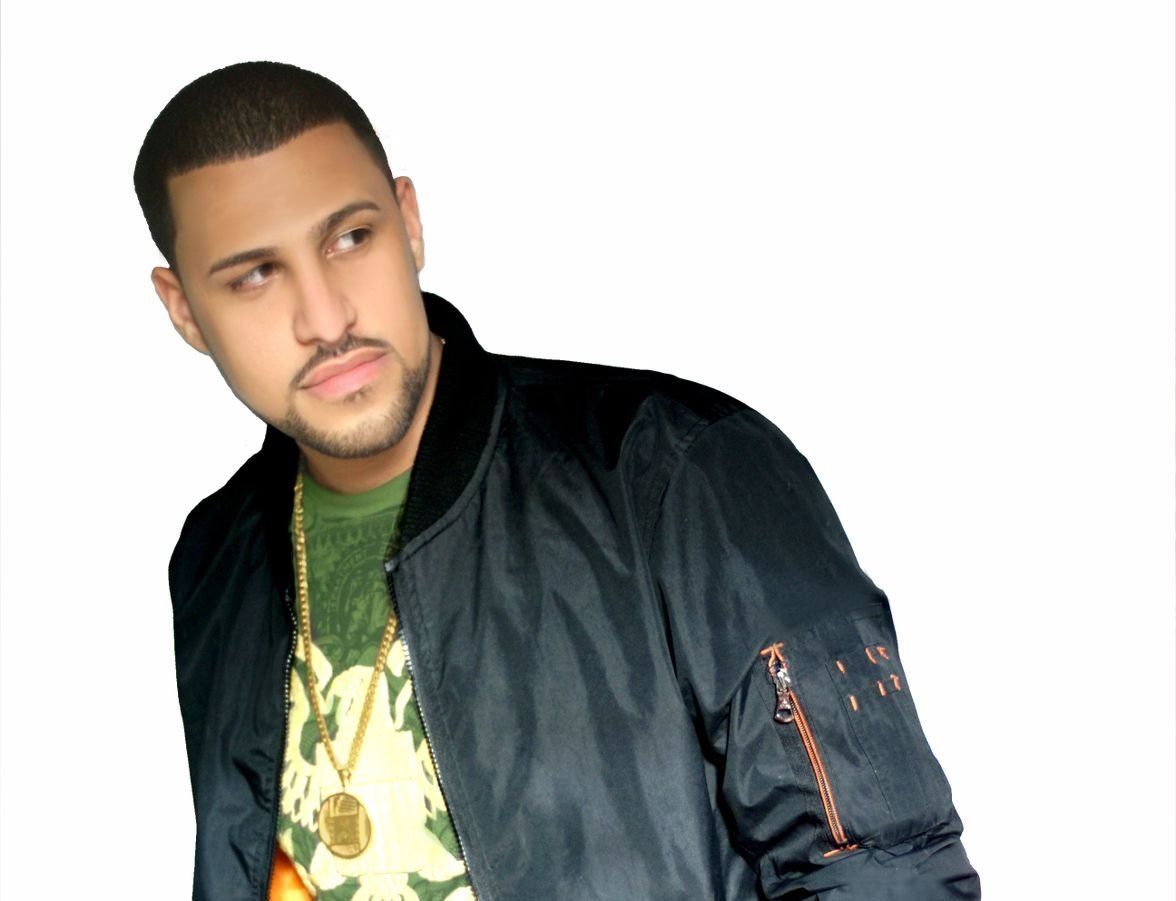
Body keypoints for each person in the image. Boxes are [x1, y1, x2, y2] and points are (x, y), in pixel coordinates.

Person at [134, 60, 981, 901]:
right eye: (255, 275)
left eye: (351, 238)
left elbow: (890, 878)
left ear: (409, 222)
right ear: (183, 309)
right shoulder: (216, 557)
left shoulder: (677, 470)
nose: (327, 318)